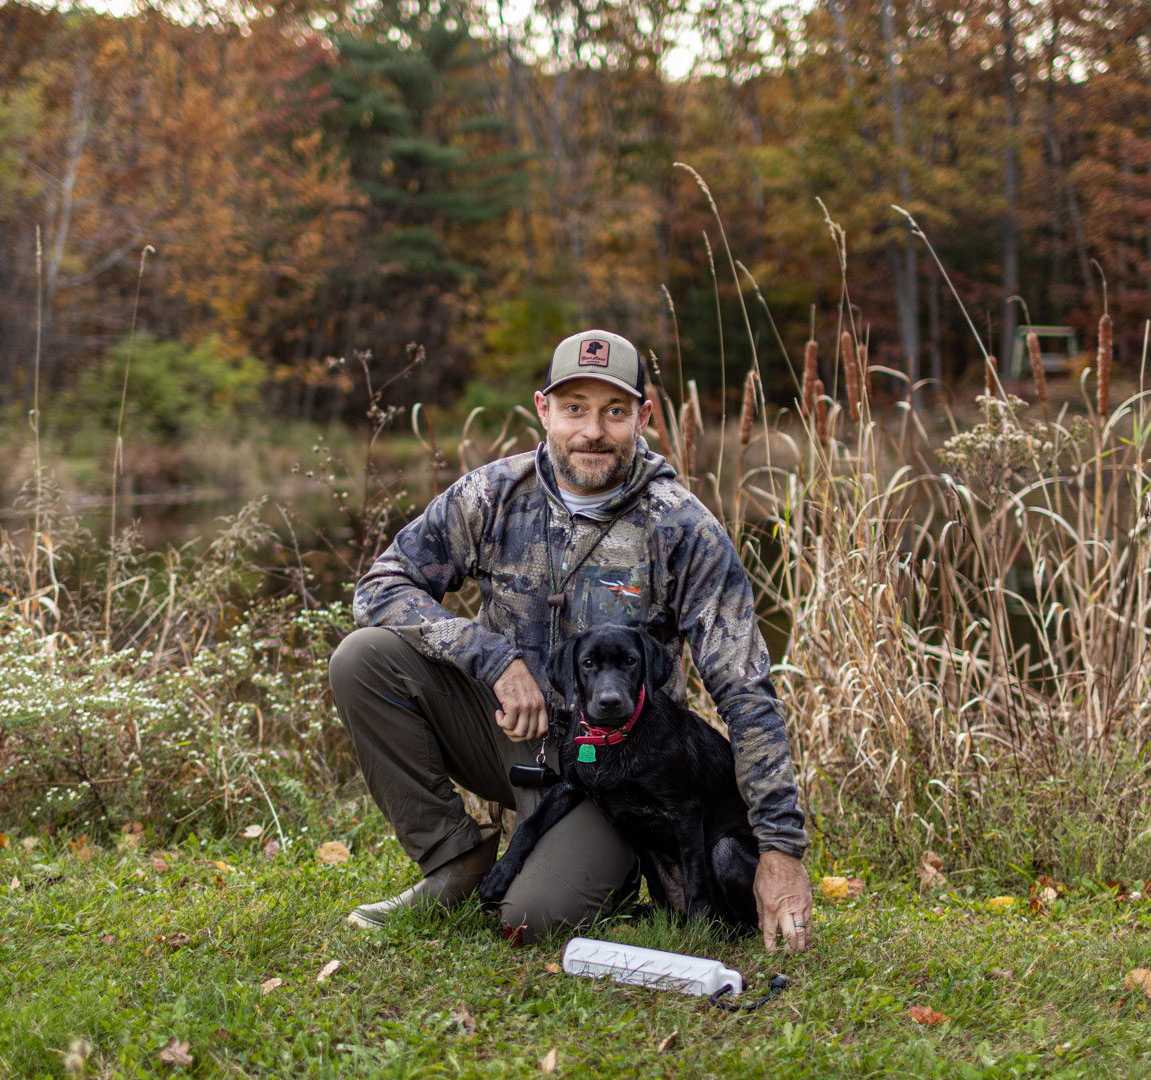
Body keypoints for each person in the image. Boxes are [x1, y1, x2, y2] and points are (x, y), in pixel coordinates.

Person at [329, 328, 814, 952]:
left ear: (642, 416)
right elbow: (380, 586)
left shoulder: (682, 527)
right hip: (507, 731)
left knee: (532, 920)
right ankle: (453, 860)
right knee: (363, 658)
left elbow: (746, 692)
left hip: (621, 769)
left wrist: (779, 848)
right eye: (575, 408)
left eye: (614, 412)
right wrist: (492, 656)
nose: (592, 431)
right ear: (544, 410)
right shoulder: (491, 495)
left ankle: (610, 866)